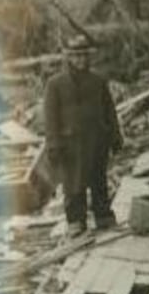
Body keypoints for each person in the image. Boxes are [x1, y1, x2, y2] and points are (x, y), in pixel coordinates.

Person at [43, 35, 122, 235]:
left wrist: (115, 136)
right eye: (76, 56)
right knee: (73, 184)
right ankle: (76, 221)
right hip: (70, 145)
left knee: (99, 180)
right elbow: (51, 118)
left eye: (84, 56)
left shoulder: (97, 81)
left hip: (96, 141)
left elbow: (109, 110)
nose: (80, 60)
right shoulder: (55, 84)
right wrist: (53, 144)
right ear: (68, 57)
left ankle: (103, 216)